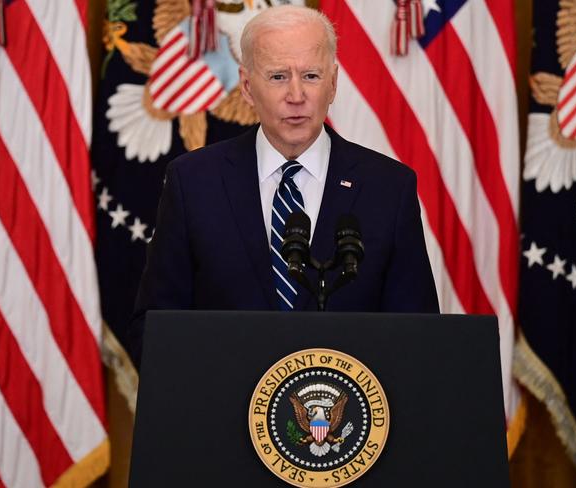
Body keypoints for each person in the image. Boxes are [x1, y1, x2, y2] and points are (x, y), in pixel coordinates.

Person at [130, 5, 439, 366]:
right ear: (247, 87)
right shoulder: (193, 183)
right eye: (278, 77)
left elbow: (419, 338)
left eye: (310, 75)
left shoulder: (389, 187)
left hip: (349, 417)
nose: (296, 95)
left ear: (334, 82)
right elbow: (154, 330)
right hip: (224, 414)